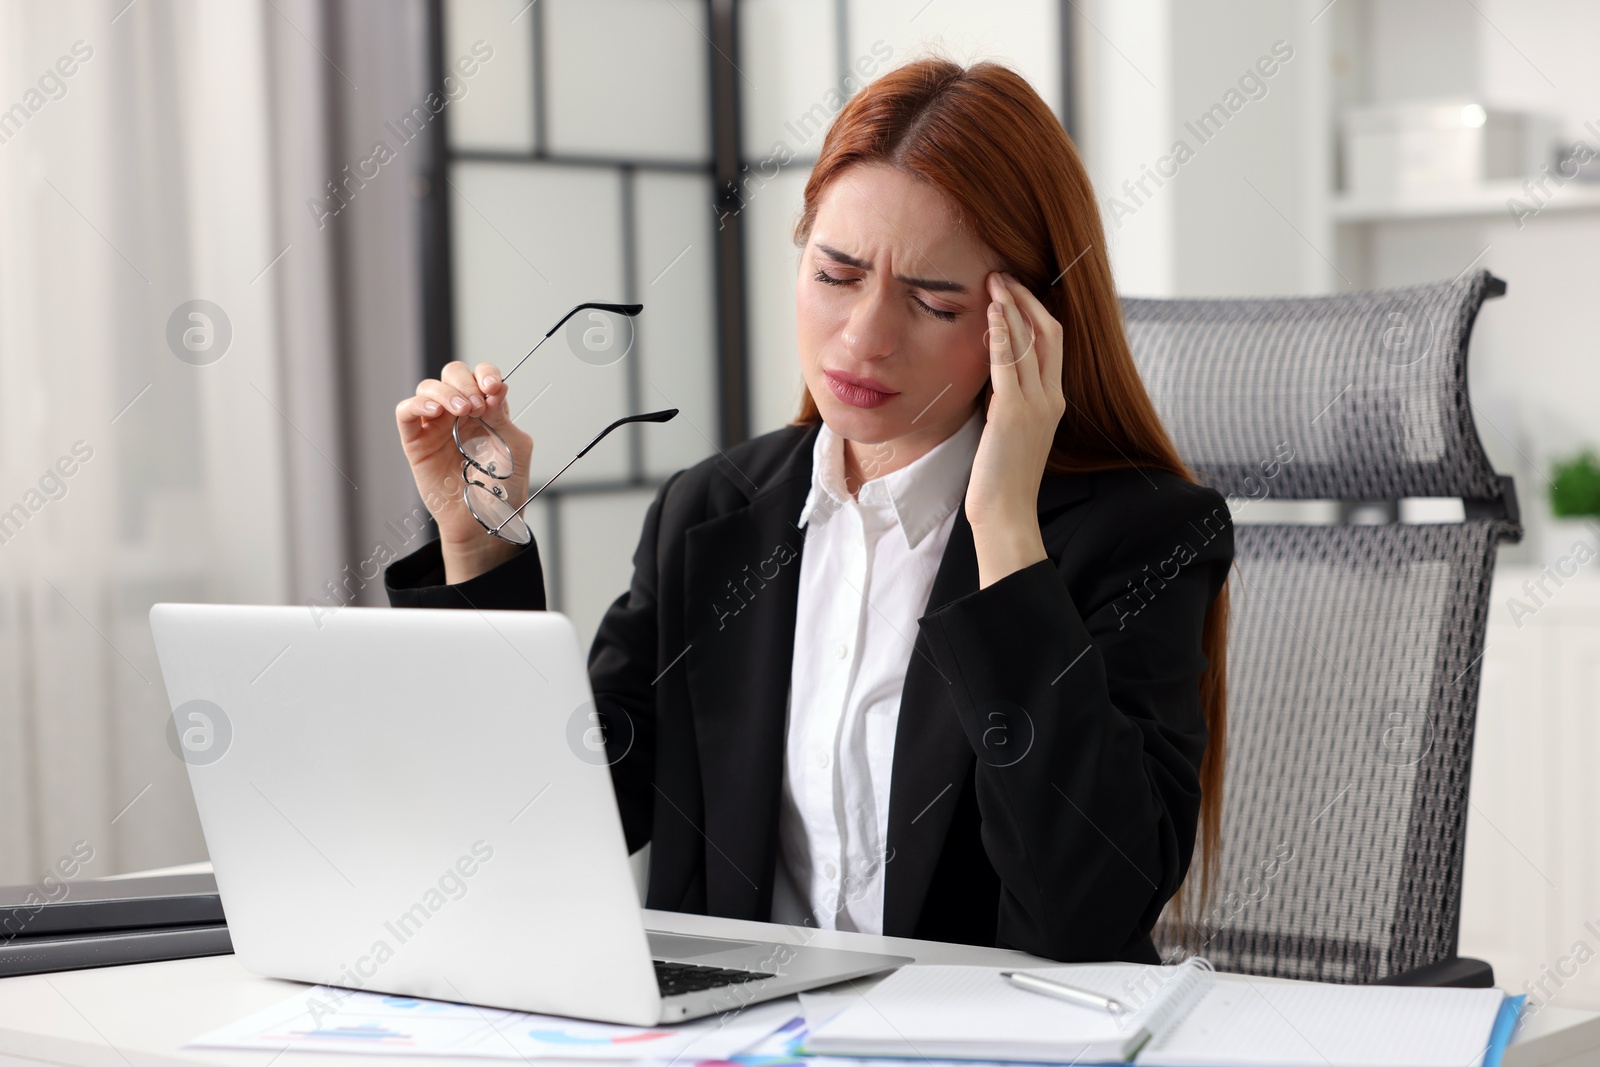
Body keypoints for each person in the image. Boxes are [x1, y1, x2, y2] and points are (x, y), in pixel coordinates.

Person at [384, 56, 1232, 965]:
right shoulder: (710, 517)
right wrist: (481, 546)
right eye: (836, 274)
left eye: (933, 300)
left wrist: (1004, 533)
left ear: (1024, 326)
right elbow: (539, 828)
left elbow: (1088, 915)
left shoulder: (1141, 537)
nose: (865, 337)